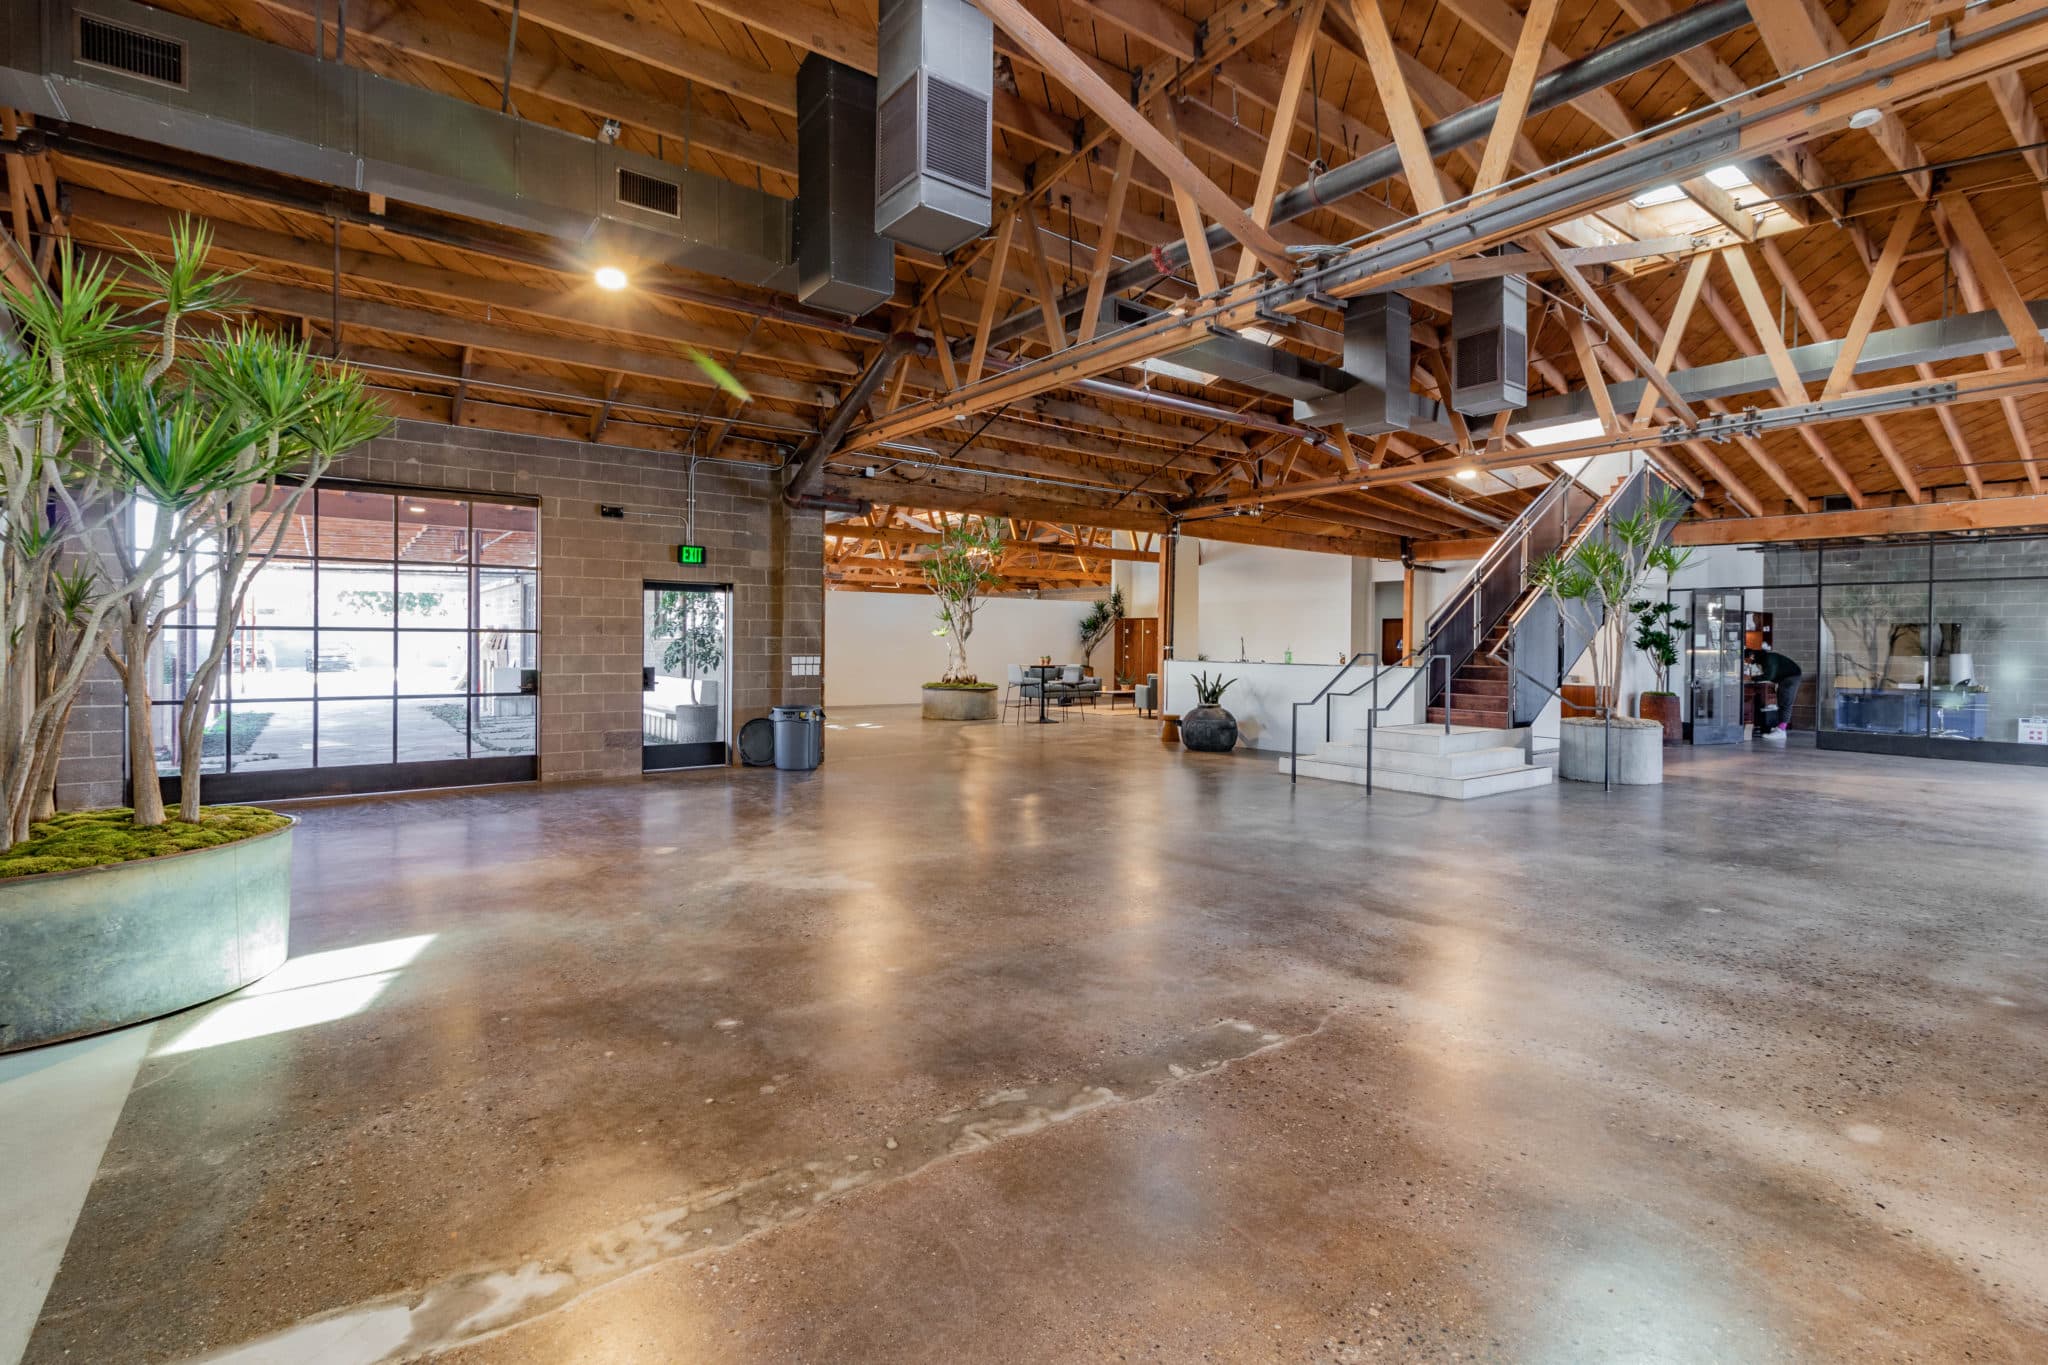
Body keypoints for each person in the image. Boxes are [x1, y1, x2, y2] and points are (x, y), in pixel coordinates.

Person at [1745, 647, 1804, 733]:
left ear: (1751, 656)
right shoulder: (1764, 659)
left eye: (1746, 659)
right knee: (1782, 703)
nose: (1746, 662)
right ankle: (1780, 727)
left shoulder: (1768, 659)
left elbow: (1769, 676)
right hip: (1786, 679)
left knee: (1785, 703)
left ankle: (1781, 730)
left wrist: (1751, 678)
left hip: (1791, 678)